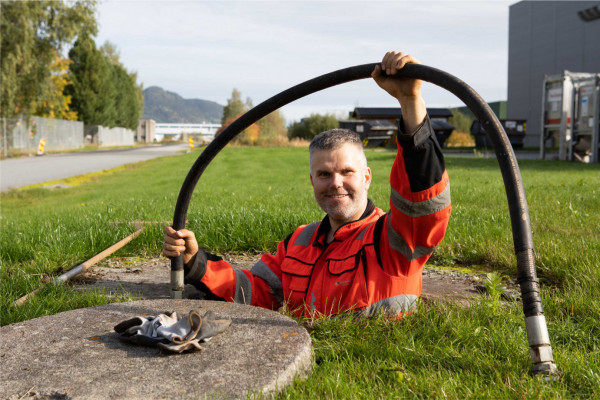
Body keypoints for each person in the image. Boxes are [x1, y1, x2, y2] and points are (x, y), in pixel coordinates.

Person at [163, 51, 451, 318]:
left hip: (368, 367)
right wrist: (195, 263)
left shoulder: (394, 238)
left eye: (346, 172)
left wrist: (410, 101)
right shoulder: (299, 242)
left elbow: (422, 200)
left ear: (366, 177)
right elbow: (256, 290)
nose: (336, 183)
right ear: (312, 180)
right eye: (324, 174)